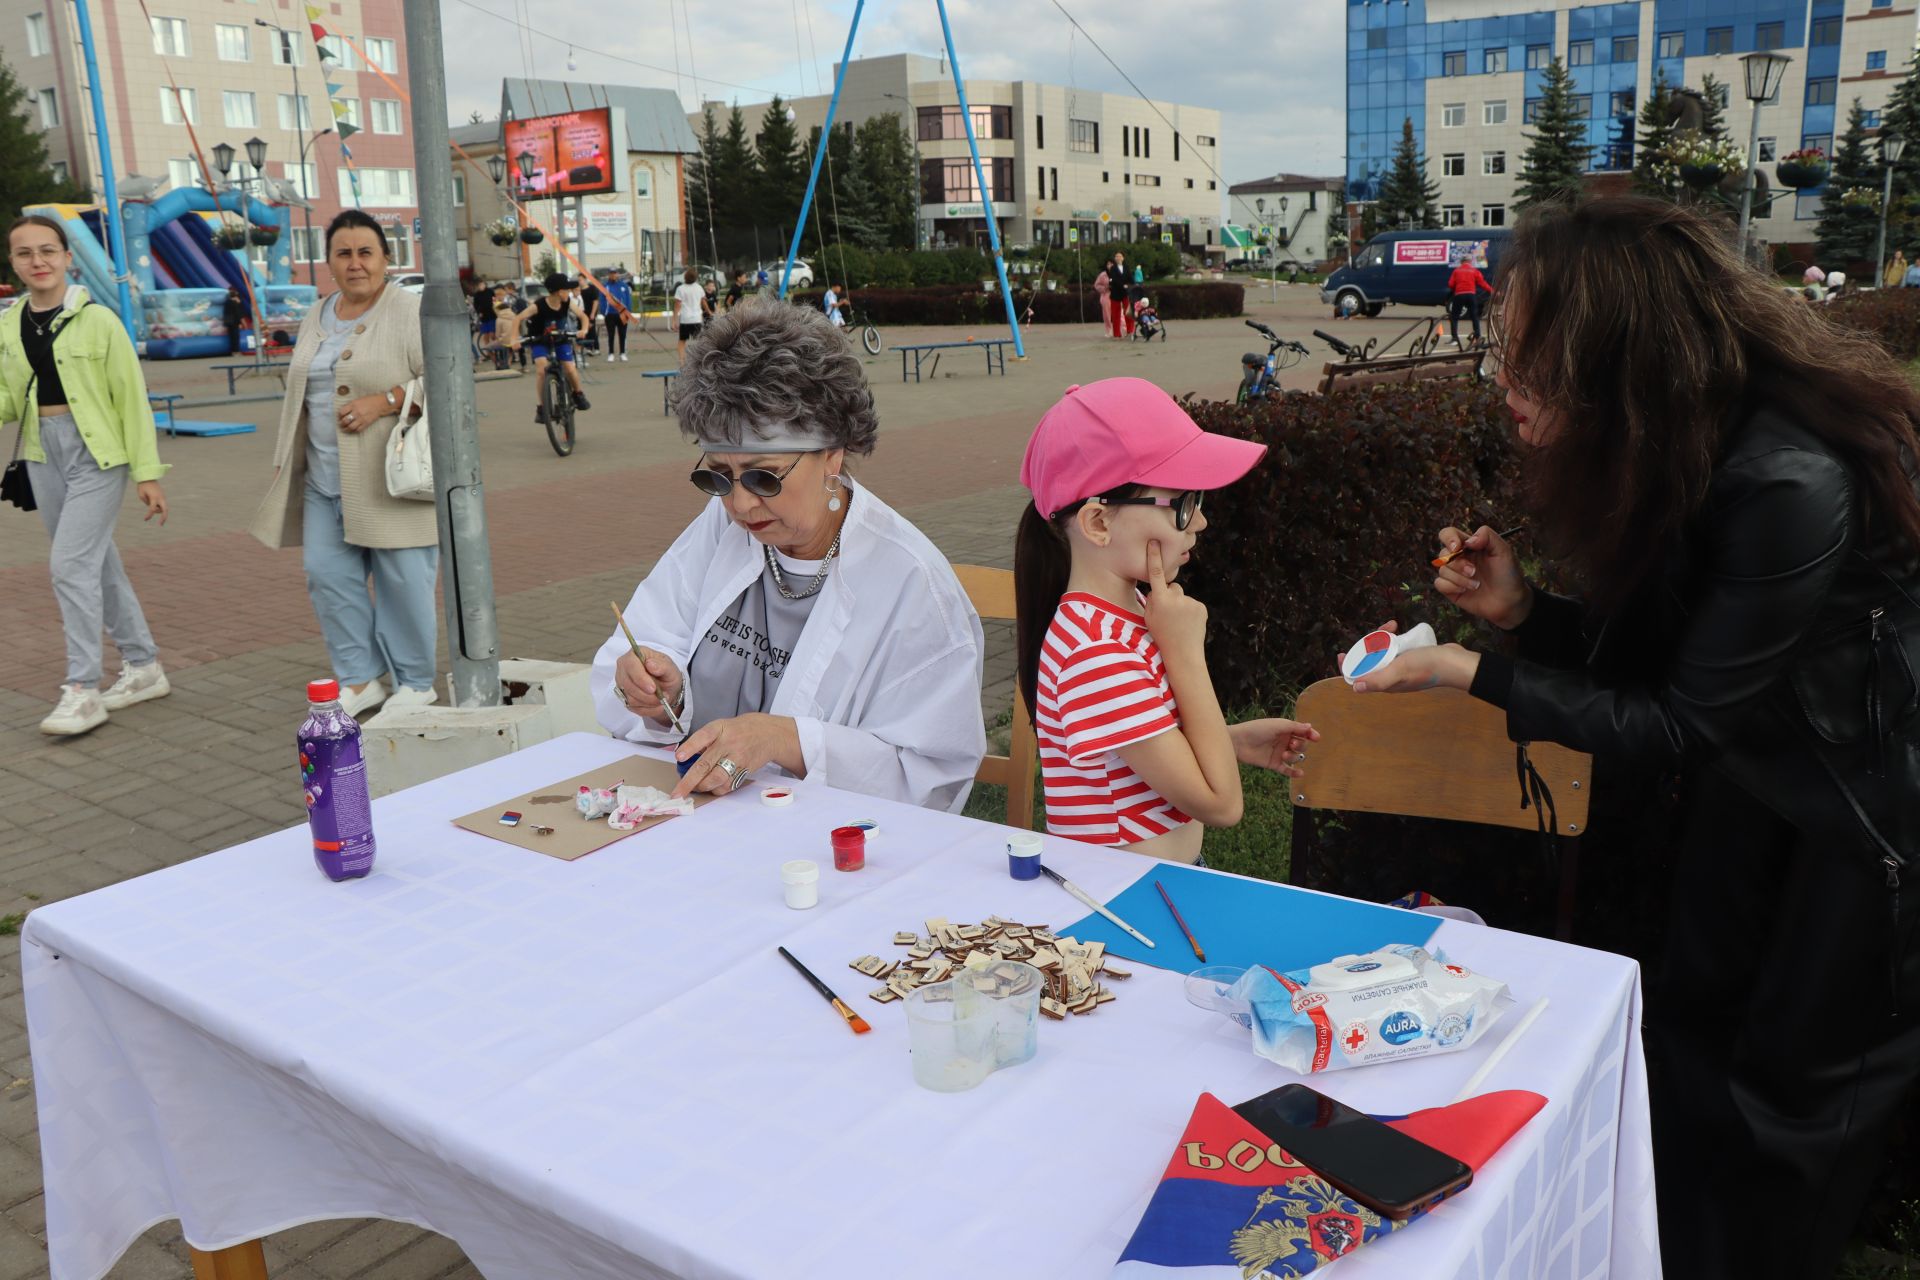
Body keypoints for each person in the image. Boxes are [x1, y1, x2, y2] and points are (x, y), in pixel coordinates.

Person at [1345, 196, 1920, 1280]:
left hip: (1855, 838)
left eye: (1524, 362)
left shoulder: (1787, 475)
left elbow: (1682, 720)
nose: (1501, 387)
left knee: (1781, 1126)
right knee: (1688, 1069)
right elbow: (1686, 664)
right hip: (1755, 798)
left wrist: (1473, 669)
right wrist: (1525, 613)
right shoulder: (1692, 438)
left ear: (1614, 353)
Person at [592, 299, 987, 810]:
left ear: (833, 454)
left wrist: (786, 740)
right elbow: (651, 636)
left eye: (764, 476)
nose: (739, 504)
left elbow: (933, 778)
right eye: (716, 476)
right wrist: (655, 689)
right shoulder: (720, 528)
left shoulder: (910, 583)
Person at [1014, 378, 1318, 862]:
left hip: (1151, 886)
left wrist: (1228, 741)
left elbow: (1127, 752)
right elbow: (1222, 806)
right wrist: (1184, 653)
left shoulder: (1126, 609)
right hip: (1120, 904)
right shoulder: (1096, 651)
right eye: (1182, 504)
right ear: (1098, 522)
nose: (1200, 522)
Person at [248, 210, 438, 718]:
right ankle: (361, 677)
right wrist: (289, 457)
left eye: (365, 252)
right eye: (343, 253)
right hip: (323, 479)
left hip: (390, 477)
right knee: (326, 575)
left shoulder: (408, 311)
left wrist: (386, 400)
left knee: (402, 582)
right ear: (329, 261)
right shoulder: (320, 312)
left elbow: (447, 378)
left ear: (385, 258)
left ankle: (416, 682)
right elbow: (304, 390)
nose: (355, 263)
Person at [0, 214, 171, 735]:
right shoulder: (8, 325)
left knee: (68, 566)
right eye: (25, 253)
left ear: (68, 256)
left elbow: (131, 400)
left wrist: (146, 472)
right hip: (40, 452)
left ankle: (82, 687)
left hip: (98, 454)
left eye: (48, 250)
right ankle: (143, 666)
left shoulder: (99, 321)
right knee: (95, 564)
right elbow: (11, 399)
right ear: (13, 263)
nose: (38, 261)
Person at [506, 272, 591, 425]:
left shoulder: (567, 302)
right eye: (567, 289)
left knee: (569, 367)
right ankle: (542, 408)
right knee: (541, 368)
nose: (570, 292)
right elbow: (517, 318)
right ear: (559, 292)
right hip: (540, 340)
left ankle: (578, 394)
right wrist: (513, 339)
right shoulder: (538, 306)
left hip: (560, 338)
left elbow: (583, 317)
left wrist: (583, 330)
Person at [1446, 252, 1495, 345]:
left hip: (1459, 295)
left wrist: (1456, 288)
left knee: (1454, 316)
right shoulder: (1474, 271)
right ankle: (1478, 337)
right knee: (1474, 316)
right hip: (1471, 295)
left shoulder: (1457, 271)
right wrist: (1493, 291)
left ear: (1461, 262)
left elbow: (1450, 284)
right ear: (1470, 261)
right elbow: (1483, 283)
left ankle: (1454, 338)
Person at [673, 268, 706, 363]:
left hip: (685, 319)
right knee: (700, 341)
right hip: (696, 319)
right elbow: (703, 301)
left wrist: (674, 320)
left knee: (682, 341)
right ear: (695, 278)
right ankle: (701, 360)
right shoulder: (699, 288)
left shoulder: (680, 288)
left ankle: (682, 361)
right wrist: (707, 312)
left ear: (685, 277)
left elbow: (677, 305)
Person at [602, 268, 632, 362]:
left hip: (622, 313)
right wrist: (604, 312)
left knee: (622, 334)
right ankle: (611, 353)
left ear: (617, 274)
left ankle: (622, 353)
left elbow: (628, 299)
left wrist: (628, 312)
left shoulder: (624, 286)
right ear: (609, 275)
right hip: (610, 314)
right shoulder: (605, 286)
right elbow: (602, 300)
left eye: (615, 273)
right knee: (611, 335)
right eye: (611, 273)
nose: (613, 275)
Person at [222, 287, 251, 356]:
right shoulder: (234, 303)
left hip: (229, 322)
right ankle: (236, 351)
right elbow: (239, 314)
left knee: (232, 337)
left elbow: (226, 313)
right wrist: (243, 323)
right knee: (236, 337)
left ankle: (233, 351)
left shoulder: (226, 302)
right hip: (235, 322)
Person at [1094, 259, 1116, 338]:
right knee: (1107, 314)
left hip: (1117, 295)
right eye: (1108, 264)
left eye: (1111, 264)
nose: (1110, 266)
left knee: (1119, 314)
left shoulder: (1118, 273)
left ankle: (1122, 329)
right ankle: (1109, 331)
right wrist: (1105, 288)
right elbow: (1097, 285)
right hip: (1106, 295)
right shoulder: (1103, 275)